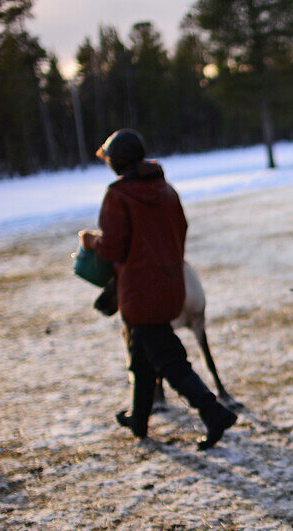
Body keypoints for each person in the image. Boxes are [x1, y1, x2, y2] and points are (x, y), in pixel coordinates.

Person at [80, 128, 237, 450]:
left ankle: (214, 412)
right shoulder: (165, 189)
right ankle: (139, 419)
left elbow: (112, 250)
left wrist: (91, 241)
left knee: (169, 359)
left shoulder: (118, 196)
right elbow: (181, 229)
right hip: (170, 286)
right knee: (142, 354)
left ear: (118, 162)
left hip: (139, 292)